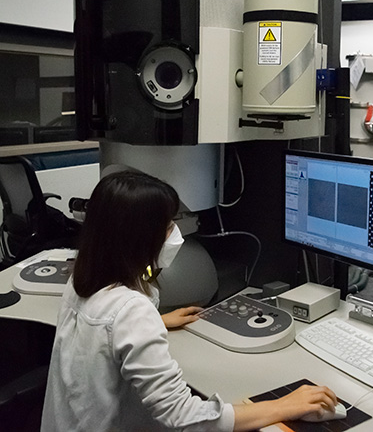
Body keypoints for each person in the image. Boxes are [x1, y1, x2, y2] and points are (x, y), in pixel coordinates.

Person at [41, 170, 337, 431]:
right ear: (141, 238)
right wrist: (286, 405)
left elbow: (98, 336)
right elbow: (186, 417)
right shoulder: (130, 310)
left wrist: (154, 322)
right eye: (168, 224)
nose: (174, 232)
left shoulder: (82, 279)